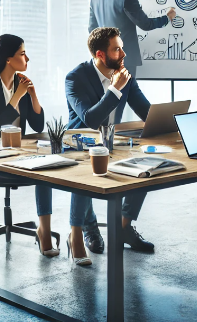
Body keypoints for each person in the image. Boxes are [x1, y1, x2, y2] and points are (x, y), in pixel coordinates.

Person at [64, 27, 155, 257]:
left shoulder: (125, 75)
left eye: (122, 48)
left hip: (112, 142)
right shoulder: (75, 78)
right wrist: (115, 89)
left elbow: (147, 112)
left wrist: (169, 120)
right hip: (80, 144)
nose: (123, 54)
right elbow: (90, 118)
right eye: (117, 49)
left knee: (145, 167)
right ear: (100, 55)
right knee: (87, 173)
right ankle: (85, 229)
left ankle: (124, 227)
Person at [0, 34, 62, 259]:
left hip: (18, 153)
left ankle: (44, 231)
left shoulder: (20, 83)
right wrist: (17, 97)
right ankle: (43, 232)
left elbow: (38, 124)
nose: (27, 58)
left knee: (45, 169)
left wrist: (32, 96)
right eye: (22, 53)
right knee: (41, 169)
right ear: (8, 59)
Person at [88, 0, 176, 122]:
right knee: (118, 104)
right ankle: (156, 127)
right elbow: (145, 24)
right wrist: (167, 17)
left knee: (114, 101)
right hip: (124, 59)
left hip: (102, 61)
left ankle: (157, 125)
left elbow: (92, 29)